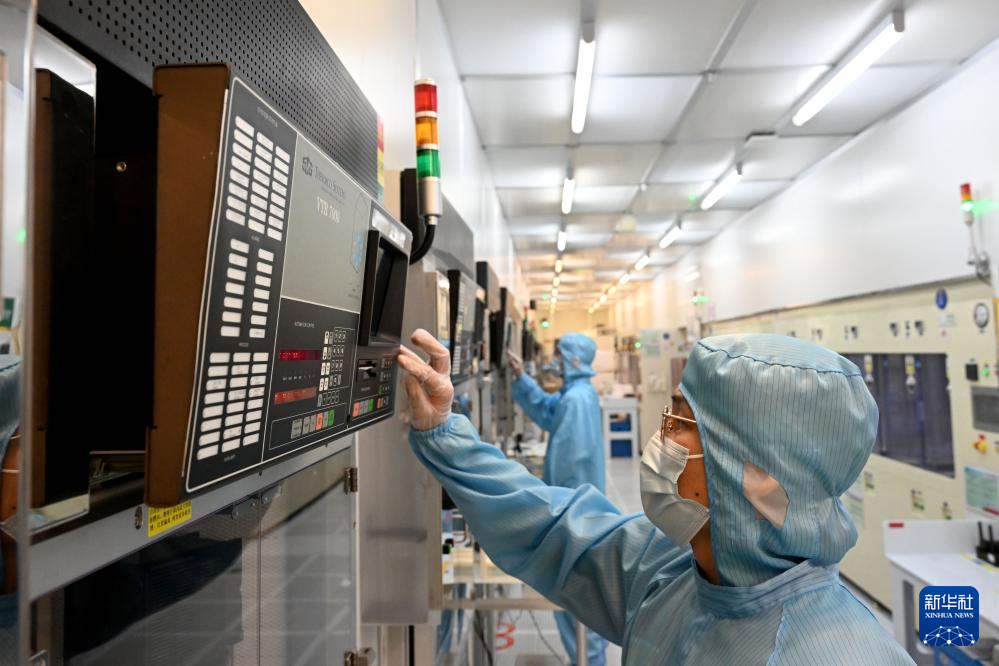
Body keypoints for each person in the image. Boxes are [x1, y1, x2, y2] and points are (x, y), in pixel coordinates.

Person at [396, 330, 915, 665]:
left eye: (680, 423)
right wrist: (443, 431)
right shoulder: (681, 570)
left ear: (756, 478)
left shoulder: (836, 654)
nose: (660, 439)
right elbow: (557, 530)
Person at [506, 334, 607, 665]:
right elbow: (549, 412)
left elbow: (570, 468)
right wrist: (521, 377)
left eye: (559, 355)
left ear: (574, 359)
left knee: (578, 604)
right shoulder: (575, 394)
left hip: (574, 515)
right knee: (577, 602)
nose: (555, 361)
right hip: (579, 511)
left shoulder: (577, 400)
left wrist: (548, 508)